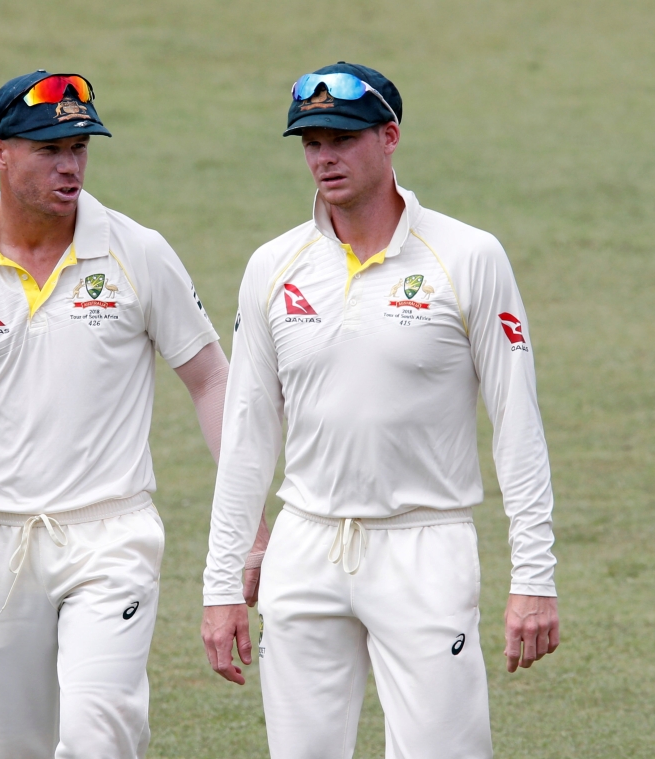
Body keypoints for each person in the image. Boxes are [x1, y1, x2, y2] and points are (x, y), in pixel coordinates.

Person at [0, 70, 232, 759]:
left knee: (98, 736)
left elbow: (211, 379)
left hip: (110, 534)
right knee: (10, 749)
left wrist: (248, 516)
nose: (71, 166)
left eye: (81, 147)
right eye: (49, 149)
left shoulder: (137, 253)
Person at [200, 62, 560, 759]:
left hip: (425, 548)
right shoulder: (272, 266)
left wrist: (535, 578)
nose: (324, 157)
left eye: (342, 138)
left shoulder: (469, 256)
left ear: (389, 136)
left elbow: (518, 423)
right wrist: (221, 581)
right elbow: (248, 434)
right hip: (304, 552)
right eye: (310, 142)